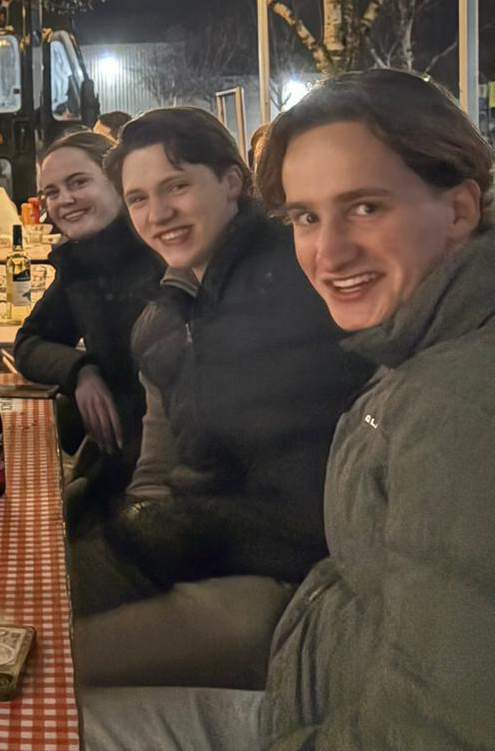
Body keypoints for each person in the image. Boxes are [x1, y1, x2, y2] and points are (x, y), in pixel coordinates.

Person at [62, 71, 495, 751]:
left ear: (459, 208)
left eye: (365, 207)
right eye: (305, 216)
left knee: (38, 687)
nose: (329, 253)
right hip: (321, 685)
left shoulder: (465, 397)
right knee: (50, 725)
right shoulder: (407, 345)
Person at [68, 108, 368, 687]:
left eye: (176, 186)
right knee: (10, 610)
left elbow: (301, 500)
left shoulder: (305, 282)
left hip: (292, 582)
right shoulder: (163, 318)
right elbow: (156, 465)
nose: (158, 214)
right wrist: (134, 531)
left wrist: (149, 538)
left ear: (232, 181)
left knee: (36, 665)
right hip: (197, 545)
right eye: (138, 199)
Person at [14, 131, 162, 517]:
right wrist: (81, 371)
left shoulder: (162, 252)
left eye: (78, 182)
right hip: (118, 456)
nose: (64, 200)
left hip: (161, 475)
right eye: (51, 192)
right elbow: (29, 341)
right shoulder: (81, 263)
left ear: (118, 182)